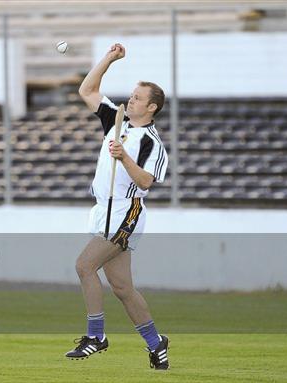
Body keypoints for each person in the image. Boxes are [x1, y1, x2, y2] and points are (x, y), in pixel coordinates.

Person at [64, 43, 170, 370]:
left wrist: (124, 158)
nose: (131, 99)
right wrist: (108, 60)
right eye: (132, 95)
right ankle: (157, 344)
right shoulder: (116, 119)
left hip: (127, 212)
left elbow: (147, 182)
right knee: (123, 288)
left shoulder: (152, 142)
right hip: (104, 209)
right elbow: (87, 89)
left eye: (138, 98)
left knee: (84, 266)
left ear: (151, 107)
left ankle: (96, 336)